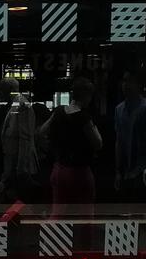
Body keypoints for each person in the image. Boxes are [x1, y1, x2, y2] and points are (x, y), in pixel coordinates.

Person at [40, 76, 102, 215]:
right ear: (86, 96)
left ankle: (53, 236)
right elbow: (98, 143)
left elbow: (42, 133)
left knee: (58, 214)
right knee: (85, 216)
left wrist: (51, 147)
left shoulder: (58, 112)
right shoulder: (84, 117)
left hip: (59, 169)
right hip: (80, 172)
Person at [112, 70, 146, 202]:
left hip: (144, 170)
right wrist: (118, 171)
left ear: (139, 85)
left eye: (130, 81)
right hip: (127, 171)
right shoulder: (119, 109)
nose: (126, 85)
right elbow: (119, 141)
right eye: (124, 81)